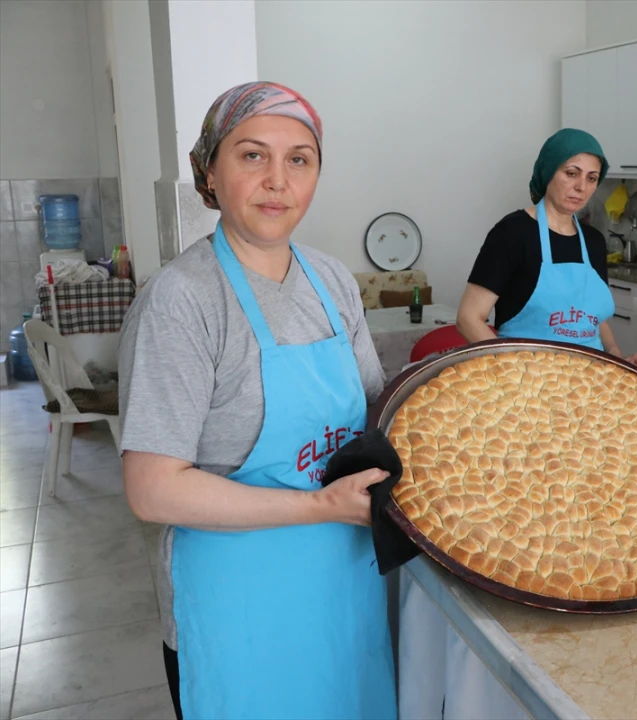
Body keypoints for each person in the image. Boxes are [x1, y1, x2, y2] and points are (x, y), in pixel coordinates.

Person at [117, 82, 395, 719]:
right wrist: (320, 503)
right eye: (252, 156)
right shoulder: (183, 300)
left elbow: (378, 412)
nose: (278, 180)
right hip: (237, 606)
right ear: (210, 172)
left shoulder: (331, 280)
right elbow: (152, 489)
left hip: (340, 587)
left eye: (299, 159)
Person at [456, 128, 637, 374]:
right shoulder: (512, 233)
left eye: (591, 178)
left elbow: (593, 318)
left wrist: (618, 360)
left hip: (590, 381)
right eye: (571, 173)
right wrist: (511, 373)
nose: (581, 187)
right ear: (548, 171)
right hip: (529, 382)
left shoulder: (594, 241)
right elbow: (468, 318)